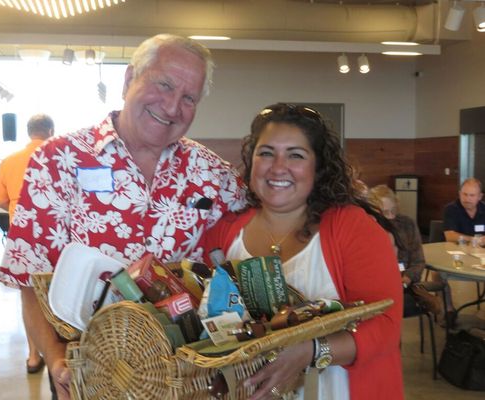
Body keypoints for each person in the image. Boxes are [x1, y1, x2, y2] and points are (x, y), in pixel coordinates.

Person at [0, 34, 246, 400]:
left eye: (189, 98)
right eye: (164, 84)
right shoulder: (58, 161)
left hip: (184, 379)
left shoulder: (212, 174)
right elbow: (29, 278)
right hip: (89, 372)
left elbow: (266, 223)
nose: (173, 106)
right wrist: (54, 359)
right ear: (129, 80)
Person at [204, 103, 403, 400]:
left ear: (318, 167)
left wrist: (311, 351)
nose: (278, 166)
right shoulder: (224, 232)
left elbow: (385, 326)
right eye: (266, 153)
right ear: (252, 160)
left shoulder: (353, 228)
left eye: (295, 155)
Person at [0, 113, 55, 374]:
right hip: (55, 233)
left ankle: (33, 356)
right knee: (55, 293)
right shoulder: (56, 154)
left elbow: (1, 200)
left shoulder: (10, 161)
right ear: (50, 130)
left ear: (28, 132)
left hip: (23, 235)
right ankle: (59, 349)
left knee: (29, 296)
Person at [368, 185, 441, 316]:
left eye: (393, 210)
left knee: (401, 305)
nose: (390, 216)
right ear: (373, 212)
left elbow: (418, 261)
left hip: (406, 284)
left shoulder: (407, 224)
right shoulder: (368, 229)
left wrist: (407, 278)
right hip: (378, 288)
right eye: (385, 212)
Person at [439, 177, 485, 326]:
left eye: (472, 195)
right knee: (438, 273)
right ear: (459, 194)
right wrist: (474, 240)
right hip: (455, 255)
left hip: (480, 256)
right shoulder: (451, 209)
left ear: (480, 197)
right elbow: (450, 235)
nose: (467, 199)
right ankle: (449, 310)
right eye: (464, 194)